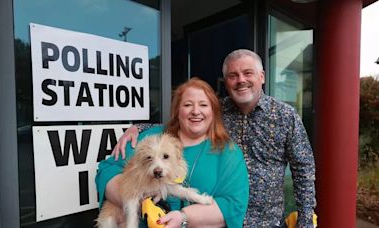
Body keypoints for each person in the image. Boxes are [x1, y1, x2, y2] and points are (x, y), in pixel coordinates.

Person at [113, 49, 316, 228]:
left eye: (248, 73)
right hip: (217, 219)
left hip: (265, 221)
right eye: (233, 75)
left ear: (262, 76)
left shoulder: (285, 116)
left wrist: (306, 221)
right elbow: (183, 121)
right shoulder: (216, 110)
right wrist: (138, 127)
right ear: (226, 81)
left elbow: (303, 170)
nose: (241, 80)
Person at [96, 77, 249, 227]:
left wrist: (184, 217)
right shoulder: (150, 137)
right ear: (177, 110)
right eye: (188, 105)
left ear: (213, 111)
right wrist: (135, 198)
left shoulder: (228, 152)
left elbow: (232, 204)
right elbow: (107, 170)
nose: (196, 111)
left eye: (203, 105)